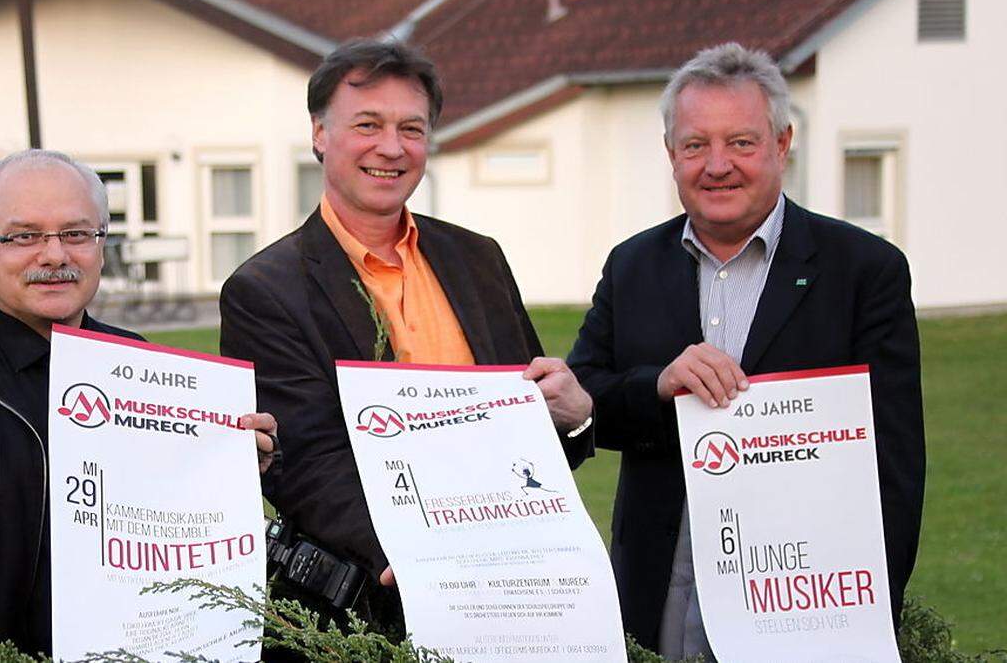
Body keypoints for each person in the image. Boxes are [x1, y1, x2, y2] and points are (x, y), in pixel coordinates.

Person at [0, 149, 278, 656]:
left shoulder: (142, 367)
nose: (55, 256)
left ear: (102, 244)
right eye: (25, 236)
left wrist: (224, 470)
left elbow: (162, 523)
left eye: (76, 234)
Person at [219, 39, 594, 636]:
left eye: (412, 129)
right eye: (367, 124)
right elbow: (303, 463)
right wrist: (425, 554)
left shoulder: (479, 259)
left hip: (518, 587)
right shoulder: (265, 290)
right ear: (319, 133)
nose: (391, 148)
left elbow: (530, 434)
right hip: (372, 609)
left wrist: (573, 420)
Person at [567, 42, 925, 659]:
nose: (717, 165)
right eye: (695, 145)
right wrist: (658, 387)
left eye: (741, 142)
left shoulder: (864, 271)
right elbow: (583, 399)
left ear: (783, 144)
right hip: (662, 586)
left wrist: (867, 618)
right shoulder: (633, 266)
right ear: (670, 154)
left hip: (805, 592)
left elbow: (893, 466)